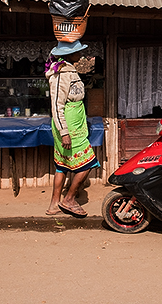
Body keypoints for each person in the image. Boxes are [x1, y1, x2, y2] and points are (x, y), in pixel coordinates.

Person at [45, 40, 100, 217]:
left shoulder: (68, 70)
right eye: (78, 52)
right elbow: (56, 105)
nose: (81, 55)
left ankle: (54, 204)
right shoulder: (61, 74)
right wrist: (64, 133)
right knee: (88, 163)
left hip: (74, 123)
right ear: (69, 55)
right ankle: (69, 198)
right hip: (68, 125)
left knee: (62, 166)